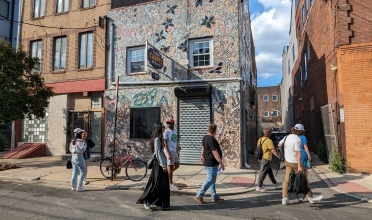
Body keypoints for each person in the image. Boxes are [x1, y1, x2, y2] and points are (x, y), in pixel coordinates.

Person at [278, 126, 324, 205]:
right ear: (300, 131)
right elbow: (298, 153)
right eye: (302, 130)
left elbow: (279, 145)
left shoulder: (286, 137)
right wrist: (299, 166)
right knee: (304, 179)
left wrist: (287, 150)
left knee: (287, 180)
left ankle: (285, 198)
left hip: (287, 161)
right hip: (295, 162)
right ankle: (311, 197)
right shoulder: (297, 139)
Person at [137, 122, 170, 210]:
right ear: (159, 128)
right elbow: (158, 153)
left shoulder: (159, 138)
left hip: (161, 163)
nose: (164, 128)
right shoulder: (157, 140)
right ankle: (147, 200)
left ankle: (160, 203)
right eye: (163, 127)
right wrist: (163, 165)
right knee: (157, 184)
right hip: (159, 165)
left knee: (163, 185)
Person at [195, 124, 225, 204]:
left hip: (209, 161)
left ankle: (214, 197)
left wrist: (202, 156)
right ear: (214, 131)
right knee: (210, 179)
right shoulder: (211, 139)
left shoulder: (205, 137)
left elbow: (203, 147)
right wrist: (221, 162)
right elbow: (214, 152)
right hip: (211, 162)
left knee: (212, 180)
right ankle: (199, 195)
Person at [256, 128, 282, 192]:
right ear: (270, 134)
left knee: (269, 171)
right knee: (263, 172)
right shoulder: (269, 141)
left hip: (260, 157)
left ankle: (275, 183)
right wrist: (279, 157)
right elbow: (273, 150)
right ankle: (259, 186)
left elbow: (258, 147)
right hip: (266, 158)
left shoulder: (260, 139)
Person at [163, 117, 181, 191]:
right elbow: (165, 143)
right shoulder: (166, 132)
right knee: (170, 167)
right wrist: (168, 153)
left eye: (170, 123)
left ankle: (167, 175)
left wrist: (178, 146)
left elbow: (175, 140)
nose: (169, 124)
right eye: (168, 123)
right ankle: (170, 184)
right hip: (169, 150)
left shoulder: (175, 130)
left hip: (175, 150)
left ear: (173, 123)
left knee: (177, 165)